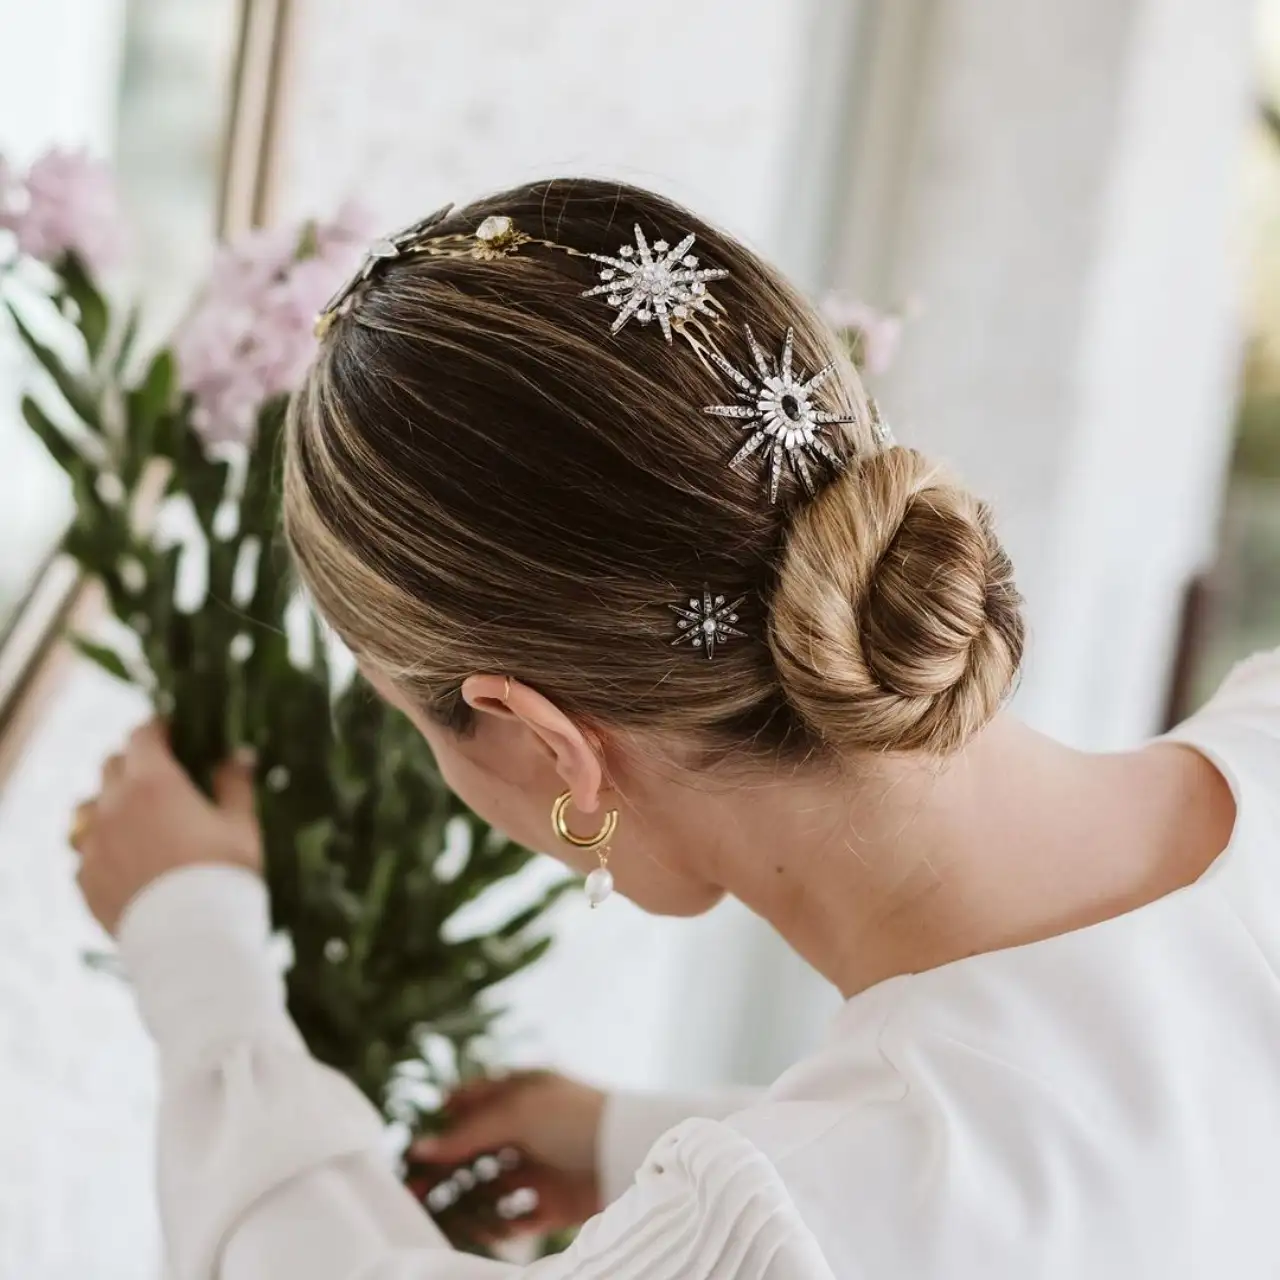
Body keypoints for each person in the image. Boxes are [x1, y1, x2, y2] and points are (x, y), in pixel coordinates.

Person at [69, 178, 1278, 1279]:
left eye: (417, 730)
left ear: (544, 740)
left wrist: (196, 950)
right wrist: (636, 1141)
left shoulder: (791, 1223)